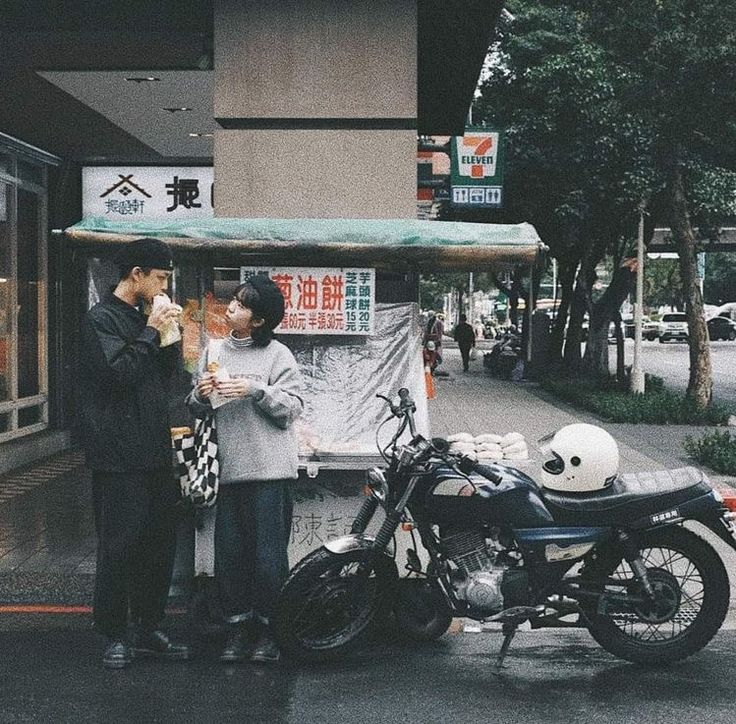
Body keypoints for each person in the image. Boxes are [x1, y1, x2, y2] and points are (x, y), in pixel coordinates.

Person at [76, 237, 191, 670]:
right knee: (119, 544)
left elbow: (168, 377)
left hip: (156, 448)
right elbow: (116, 376)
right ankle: (114, 632)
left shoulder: (150, 317)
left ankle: (148, 625)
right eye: (160, 277)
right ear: (136, 274)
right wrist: (149, 331)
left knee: (159, 543)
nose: (164, 285)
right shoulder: (100, 319)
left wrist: (170, 335)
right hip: (117, 454)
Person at [186, 275, 303, 664]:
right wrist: (200, 394)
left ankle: (269, 632)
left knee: (269, 559)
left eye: (241, 304)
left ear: (258, 321)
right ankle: (237, 629)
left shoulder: (278, 356)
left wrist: (254, 390)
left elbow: (292, 409)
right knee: (230, 558)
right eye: (232, 300)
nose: (231, 307)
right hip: (229, 471)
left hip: (271, 473)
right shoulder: (213, 351)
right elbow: (197, 405)